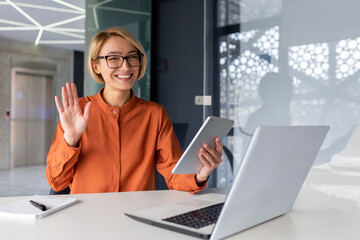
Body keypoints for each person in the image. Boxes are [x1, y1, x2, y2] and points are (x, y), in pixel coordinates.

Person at [46, 27, 223, 194]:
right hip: (87, 216)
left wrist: (201, 174)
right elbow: (56, 182)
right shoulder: (77, 111)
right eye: (113, 58)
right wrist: (71, 139)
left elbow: (173, 173)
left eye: (132, 57)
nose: (126, 66)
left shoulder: (154, 114)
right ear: (96, 66)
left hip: (137, 215)